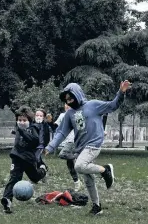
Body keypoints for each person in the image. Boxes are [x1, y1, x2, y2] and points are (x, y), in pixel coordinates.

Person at [43, 80, 131, 215]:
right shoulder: (69, 114)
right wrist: (50, 146)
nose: (69, 101)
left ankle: (105, 169)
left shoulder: (93, 105)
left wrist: (121, 92)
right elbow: (61, 132)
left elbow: (113, 105)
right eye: (66, 100)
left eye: (71, 97)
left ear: (77, 94)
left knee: (79, 166)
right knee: (88, 179)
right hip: (80, 148)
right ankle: (97, 206)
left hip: (94, 144)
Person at [1, 106, 48, 214]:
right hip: (17, 157)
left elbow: (35, 140)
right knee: (13, 179)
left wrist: (22, 132)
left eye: (24, 120)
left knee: (35, 177)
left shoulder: (33, 129)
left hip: (29, 159)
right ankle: (7, 201)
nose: (21, 122)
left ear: (30, 121)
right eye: (19, 120)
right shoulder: (18, 127)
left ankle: (43, 169)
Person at [55, 103, 83, 191]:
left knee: (62, 154)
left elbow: (81, 128)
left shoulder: (78, 115)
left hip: (74, 141)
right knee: (69, 164)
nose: (67, 106)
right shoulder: (62, 116)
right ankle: (77, 182)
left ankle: (77, 157)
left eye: (69, 104)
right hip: (67, 141)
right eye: (65, 104)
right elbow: (56, 127)